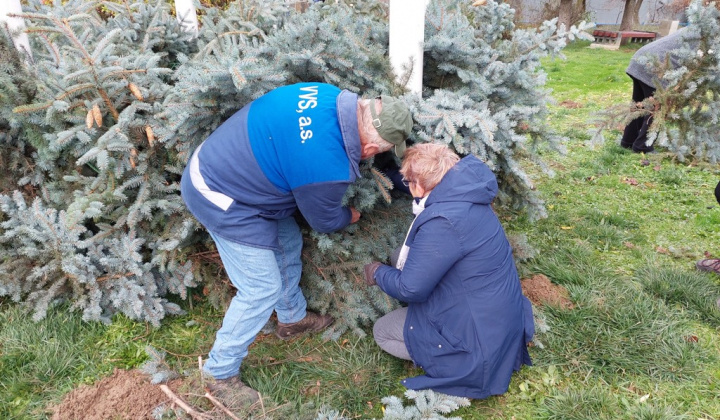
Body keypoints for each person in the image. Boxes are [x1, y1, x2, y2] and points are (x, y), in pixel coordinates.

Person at [180, 82, 412, 406]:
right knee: (261, 288)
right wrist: (351, 214)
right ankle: (219, 374)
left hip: (229, 167)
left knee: (287, 239)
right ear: (372, 147)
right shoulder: (328, 165)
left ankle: (292, 318)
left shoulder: (326, 93)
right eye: (381, 150)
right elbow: (324, 221)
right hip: (218, 192)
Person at [362, 143, 535, 399]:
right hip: (495, 316)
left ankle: (446, 361)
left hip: (476, 341)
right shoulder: (465, 194)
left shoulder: (443, 222)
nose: (408, 188)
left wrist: (376, 273)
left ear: (419, 186)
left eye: (408, 182)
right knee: (401, 257)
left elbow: (411, 289)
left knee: (383, 331)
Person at [621, 27, 694, 153]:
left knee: (640, 104)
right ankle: (643, 147)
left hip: (641, 57)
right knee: (658, 108)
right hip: (655, 65)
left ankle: (628, 141)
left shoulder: (697, 25)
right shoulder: (710, 35)